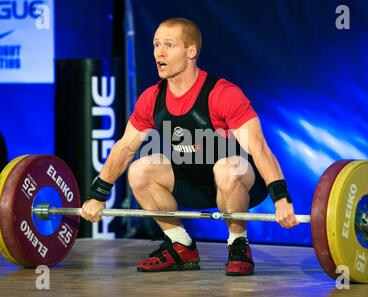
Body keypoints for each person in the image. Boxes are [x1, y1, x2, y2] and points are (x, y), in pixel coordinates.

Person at [81, 17, 299, 276]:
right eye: (156, 44)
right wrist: (97, 195)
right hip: (191, 181)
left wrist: (281, 198)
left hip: (238, 180)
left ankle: (238, 243)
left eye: (169, 45)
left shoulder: (223, 94)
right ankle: (180, 244)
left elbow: (259, 149)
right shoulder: (151, 98)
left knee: (226, 168)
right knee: (139, 170)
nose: (159, 52)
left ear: (191, 52)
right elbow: (125, 148)